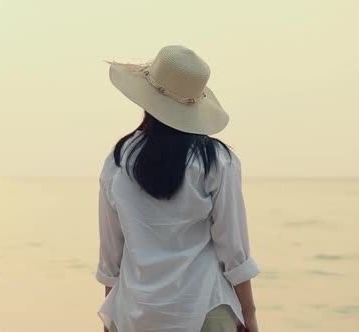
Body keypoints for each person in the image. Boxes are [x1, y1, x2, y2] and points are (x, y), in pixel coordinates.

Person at [96, 45, 261, 332]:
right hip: (206, 309)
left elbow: (112, 255)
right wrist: (249, 314)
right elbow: (233, 249)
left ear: (146, 97)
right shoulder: (217, 160)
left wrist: (111, 318)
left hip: (135, 313)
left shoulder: (119, 161)